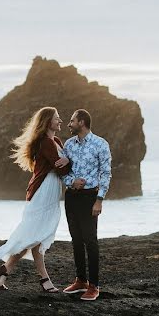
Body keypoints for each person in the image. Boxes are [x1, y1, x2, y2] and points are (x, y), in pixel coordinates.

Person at [0, 107, 71, 292]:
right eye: (57, 118)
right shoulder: (46, 143)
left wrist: (67, 161)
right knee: (37, 237)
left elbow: (63, 165)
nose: (61, 121)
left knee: (34, 236)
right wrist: (68, 162)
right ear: (48, 121)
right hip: (43, 192)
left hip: (49, 192)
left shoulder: (55, 140)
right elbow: (61, 169)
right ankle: (44, 279)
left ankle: (5, 269)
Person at [60, 109, 112, 302]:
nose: (69, 124)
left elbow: (106, 173)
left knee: (90, 241)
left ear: (81, 122)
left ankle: (94, 285)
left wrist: (100, 199)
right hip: (71, 197)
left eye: (72, 121)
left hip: (90, 197)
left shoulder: (100, 144)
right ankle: (80, 280)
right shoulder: (68, 145)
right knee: (76, 239)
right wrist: (71, 181)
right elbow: (63, 170)